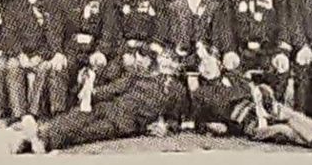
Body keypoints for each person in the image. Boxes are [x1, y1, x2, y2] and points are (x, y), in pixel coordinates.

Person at [14, 50, 188, 154]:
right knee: (78, 115)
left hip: (128, 121)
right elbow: (115, 88)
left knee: (89, 132)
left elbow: (176, 119)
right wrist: (93, 92)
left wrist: (166, 127)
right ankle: (40, 136)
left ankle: (36, 141)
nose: (167, 62)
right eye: (165, 57)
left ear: (178, 65)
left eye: (172, 60)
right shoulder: (139, 74)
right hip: (109, 105)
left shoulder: (177, 89)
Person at [190, 56, 312, 150]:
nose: (206, 67)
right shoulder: (204, 92)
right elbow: (220, 104)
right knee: (284, 129)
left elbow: (250, 86)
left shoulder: (233, 77)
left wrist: (256, 92)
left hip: (263, 108)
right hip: (250, 124)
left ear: (219, 65)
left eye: (210, 63)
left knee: (289, 114)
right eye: (203, 65)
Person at [0, 0, 68, 121]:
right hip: (21, 53)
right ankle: (18, 114)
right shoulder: (13, 6)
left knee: (45, 67)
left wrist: (41, 55)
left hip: (43, 53)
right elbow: (8, 35)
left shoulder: (51, 5)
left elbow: (54, 35)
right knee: (11, 66)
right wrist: (19, 54)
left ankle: (34, 113)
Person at [56, 0, 118, 109]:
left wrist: (101, 51)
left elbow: (109, 28)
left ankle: (94, 107)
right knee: (61, 67)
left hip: (95, 48)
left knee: (104, 68)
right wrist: (59, 52)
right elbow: (56, 29)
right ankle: (60, 112)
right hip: (72, 49)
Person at [224, 0, 284, 82]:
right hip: (240, 52)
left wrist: (280, 52)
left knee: (281, 69)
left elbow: (283, 27)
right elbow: (225, 26)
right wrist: (229, 50)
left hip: (268, 52)